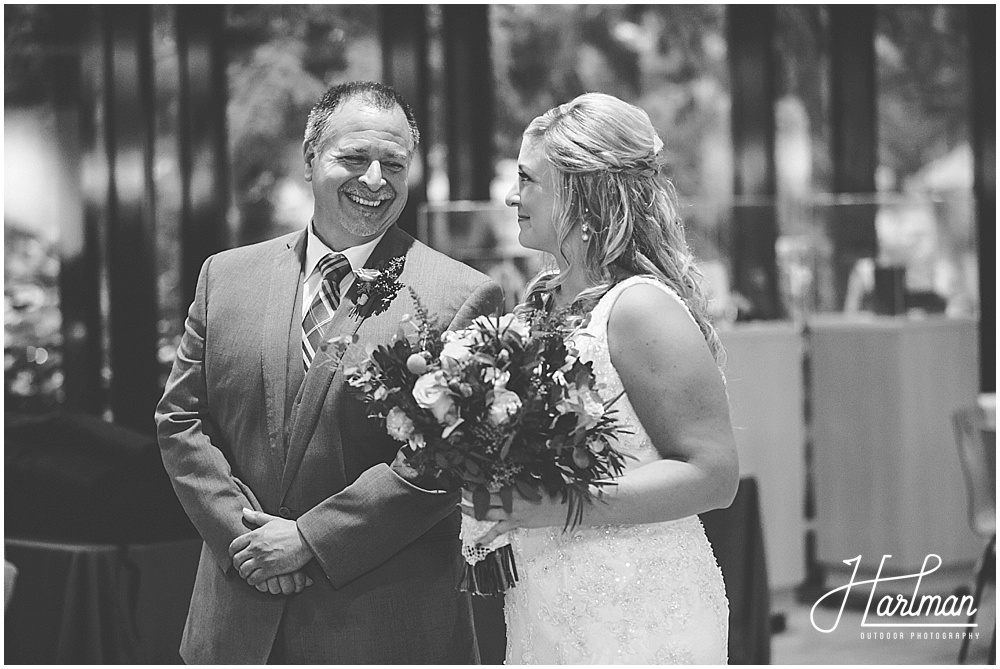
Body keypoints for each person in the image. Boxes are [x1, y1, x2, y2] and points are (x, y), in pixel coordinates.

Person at [156, 81, 503, 664]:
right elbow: (181, 419)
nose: (374, 180)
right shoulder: (226, 277)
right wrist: (244, 540)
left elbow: (452, 458)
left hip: (384, 627)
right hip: (237, 623)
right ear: (311, 156)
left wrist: (309, 541)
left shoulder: (461, 296)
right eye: (353, 158)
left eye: (393, 163)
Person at [464, 92, 739, 664]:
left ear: (580, 194)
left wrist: (548, 504)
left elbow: (714, 476)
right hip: (544, 602)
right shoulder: (533, 309)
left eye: (528, 180)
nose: (514, 196)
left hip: (635, 605)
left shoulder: (640, 309)